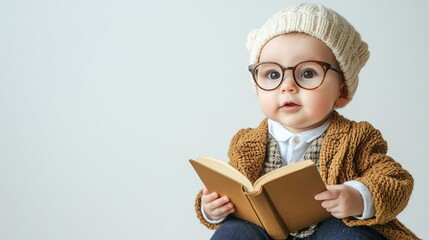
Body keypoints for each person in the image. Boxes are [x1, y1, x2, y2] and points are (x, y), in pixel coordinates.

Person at [193, 3, 419, 240]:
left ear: (342, 90)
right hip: (265, 231)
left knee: (350, 236)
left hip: (332, 227)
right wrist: (211, 208)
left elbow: (396, 181)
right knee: (233, 233)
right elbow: (232, 188)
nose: (287, 86)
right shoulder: (246, 142)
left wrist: (359, 197)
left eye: (308, 73)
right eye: (272, 74)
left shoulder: (358, 138)